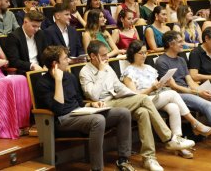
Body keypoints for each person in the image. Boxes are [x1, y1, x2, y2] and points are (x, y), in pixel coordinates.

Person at [80, 40, 195, 171]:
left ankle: (149, 158)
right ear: (93, 56)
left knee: (143, 112)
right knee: (144, 99)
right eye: (104, 55)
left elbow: (119, 87)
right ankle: (169, 138)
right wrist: (101, 72)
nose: (107, 58)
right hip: (103, 104)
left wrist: (134, 96)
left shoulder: (107, 67)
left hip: (118, 100)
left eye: (107, 54)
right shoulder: (85, 72)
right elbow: (94, 95)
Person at [37, 46, 135, 170]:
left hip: (79, 113)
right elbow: (58, 109)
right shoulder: (43, 83)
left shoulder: (70, 77)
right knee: (98, 120)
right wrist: (58, 81)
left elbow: (79, 101)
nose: (68, 61)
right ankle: (96, 168)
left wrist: (91, 104)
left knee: (123, 113)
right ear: (55, 64)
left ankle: (123, 160)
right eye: (65, 59)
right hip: (62, 120)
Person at [122, 40, 211, 159]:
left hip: (156, 97)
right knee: (172, 94)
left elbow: (156, 86)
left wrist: (162, 84)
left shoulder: (149, 68)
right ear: (132, 54)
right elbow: (135, 95)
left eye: (145, 53)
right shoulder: (128, 72)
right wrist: (151, 88)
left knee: (174, 107)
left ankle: (179, 144)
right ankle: (194, 123)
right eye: (141, 53)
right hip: (143, 101)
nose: (144, 56)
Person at [4, 10, 47, 75]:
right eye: (34, 26)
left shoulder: (40, 34)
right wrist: (31, 66)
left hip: (42, 69)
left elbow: (46, 53)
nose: (36, 29)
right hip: (26, 71)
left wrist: (46, 64)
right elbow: (14, 61)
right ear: (25, 22)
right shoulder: (13, 37)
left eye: (38, 27)